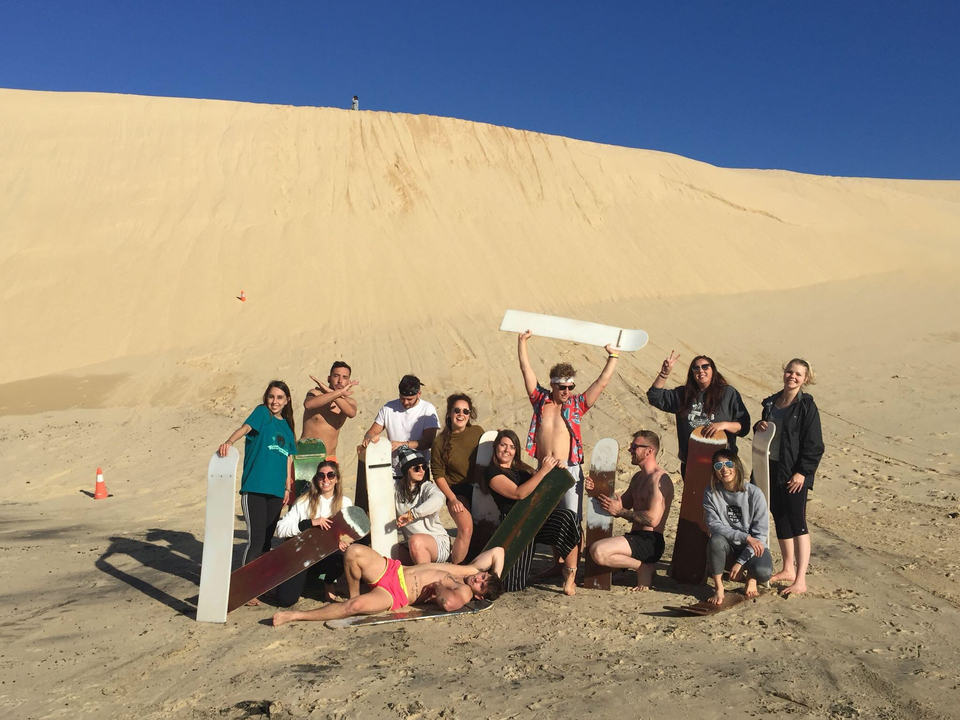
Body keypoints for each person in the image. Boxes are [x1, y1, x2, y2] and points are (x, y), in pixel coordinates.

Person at [517, 330, 620, 520]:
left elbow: (601, 382)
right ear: (552, 385)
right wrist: (522, 341)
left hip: (569, 468)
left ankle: (576, 551)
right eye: (562, 387)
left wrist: (613, 356)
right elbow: (526, 370)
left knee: (572, 520)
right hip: (544, 468)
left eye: (570, 387)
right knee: (547, 522)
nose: (566, 392)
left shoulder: (577, 405)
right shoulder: (540, 400)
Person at [271, 544, 505, 626]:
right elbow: (498, 551)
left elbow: (450, 603)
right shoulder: (469, 572)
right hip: (393, 569)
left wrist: (437, 587)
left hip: (396, 593)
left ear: (478, 596)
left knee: (354, 607)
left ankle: (295, 616)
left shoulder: (463, 590)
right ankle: (351, 593)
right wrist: (495, 576)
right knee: (353, 552)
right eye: (484, 577)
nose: (479, 579)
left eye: (483, 584)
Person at [217, 381, 297, 603]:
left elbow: (289, 459)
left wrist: (288, 487)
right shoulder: (262, 413)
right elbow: (245, 428)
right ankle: (245, 587)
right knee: (256, 539)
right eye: (271, 396)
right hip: (254, 488)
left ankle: (260, 585)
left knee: (266, 542)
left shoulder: (287, 428)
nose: (275, 401)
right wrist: (229, 441)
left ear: (287, 401)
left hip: (276, 492)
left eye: (280, 397)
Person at [754, 358, 824, 597]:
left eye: (798, 374)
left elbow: (814, 444)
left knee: (797, 522)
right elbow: (768, 434)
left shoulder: (806, 406)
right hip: (770, 467)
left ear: (806, 379)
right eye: (789, 372)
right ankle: (787, 569)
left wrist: (803, 472)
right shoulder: (772, 402)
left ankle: (801, 579)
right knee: (779, 517)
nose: (792, 377)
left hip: (794, 473)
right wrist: (759, 426)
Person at [482, 429, 581, 596]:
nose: (507, 450)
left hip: (536, 517)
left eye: (512, 447)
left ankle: (570, 573)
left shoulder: (523, 469)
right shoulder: (492, 472)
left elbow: (544, 485)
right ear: (496, 447)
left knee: (567, 517)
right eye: (503, 445)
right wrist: (543, 470)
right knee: (513, 585)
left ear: (516, 451)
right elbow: (518, 493)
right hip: (515, 524)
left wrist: (557, 470)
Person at [585, 430, 675, 591]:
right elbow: (618, 505)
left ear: (649, 450)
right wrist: (594, 489)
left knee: (598, 552)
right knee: (591, 558)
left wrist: (621, 512)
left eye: (635, 446)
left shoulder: (660, 480)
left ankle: (643, 567)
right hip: (635, 537)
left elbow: (653, 519)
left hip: (650, 542)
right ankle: (642, 566)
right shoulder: (638, 478)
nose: (630, 450)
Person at [647, 352, 750, 474]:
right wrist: (664, 373)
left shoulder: (728, 393)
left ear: (713, 370)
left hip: (723, 465)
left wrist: (724, 425)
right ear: (692, 373)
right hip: (692, 462)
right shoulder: (683, 394)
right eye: (696, 368)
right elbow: (654, 396)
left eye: (705, 366)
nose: (701, 370)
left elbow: (744, 426)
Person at [273, 460, 353, 606]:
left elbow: (351, 533)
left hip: (329, 556)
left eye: (330, 475)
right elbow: (280, 529)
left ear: (337, 479)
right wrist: (310, 523)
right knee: (286, 601)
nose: (326, 479)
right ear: (316, 479)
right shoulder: (304, 501)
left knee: (347, 555)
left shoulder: (345, 502)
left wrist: (346, 542)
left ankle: (328, 581)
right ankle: (305, 579)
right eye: (321, 476)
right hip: (304, 555)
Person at [703, 449, 772, 604]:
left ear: (737, 466)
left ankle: (751, 577)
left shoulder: (754, 493)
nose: (724, 469)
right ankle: (719, 588)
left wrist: (741, 561)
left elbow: (760, 534)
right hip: (728, 546)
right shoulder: (711, 493)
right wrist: (745, 537)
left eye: (728, 464)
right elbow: (714, 526)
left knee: (764, 572)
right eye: (718, 465)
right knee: (716, 540)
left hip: (753, 547)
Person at [431, 393, 485, 563]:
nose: (461, 414)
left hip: (480, 488)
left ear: (470, 414)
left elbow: (490, 453)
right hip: (457, 491)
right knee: (466, 528)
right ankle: (455, 570)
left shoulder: (478, 432)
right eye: (457, 410)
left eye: (465, 411)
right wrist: (452, 499)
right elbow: (438, 473)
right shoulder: (440, 442)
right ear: (449, 413)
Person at [358, 374, 440, 474]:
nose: (405, 402)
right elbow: (373, 431)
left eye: (409, 399)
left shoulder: (427, 409)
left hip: (418, 470)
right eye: (402, 398)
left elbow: (429, 441)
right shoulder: (388, 408)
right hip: (393, 470)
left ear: (419, 394)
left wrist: (402, 445)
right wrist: (368, 438)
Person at [394, 447, 452, 564]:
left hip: (437, 542)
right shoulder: (396, 490)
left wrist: (413, 514)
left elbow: (438, 498)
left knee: (416, 541)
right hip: (411, 545)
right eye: (416, 468)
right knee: (387, 550)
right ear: (406, 470)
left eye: (424, 467)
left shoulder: (426, 487)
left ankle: (425, 579)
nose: (422, 471)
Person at [302, 362, 359, 461]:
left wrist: (333, 392)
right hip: (307, 456)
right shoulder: (315, 393)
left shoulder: (349, 402)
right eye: (336, 376)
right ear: (329, 378)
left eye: (345, 377)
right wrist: (338, 393)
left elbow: (351, 413)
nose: (340, 381)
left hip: (330, 459)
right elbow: (309, 404)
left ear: (349, 381)